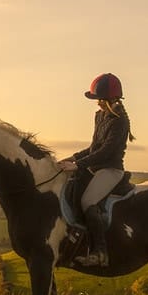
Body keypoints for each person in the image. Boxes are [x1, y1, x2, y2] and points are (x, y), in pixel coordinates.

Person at [59, 73, 135, 267]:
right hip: (94, 168)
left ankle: (100, 253)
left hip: (111, 170)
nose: (97, 104)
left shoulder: (119, 121)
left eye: (98, 100)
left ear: (109, 99)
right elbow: (93, 147)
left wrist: (77, 165)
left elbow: (106, 152)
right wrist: (73, 158)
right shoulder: (100, 116)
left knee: (88, 201)